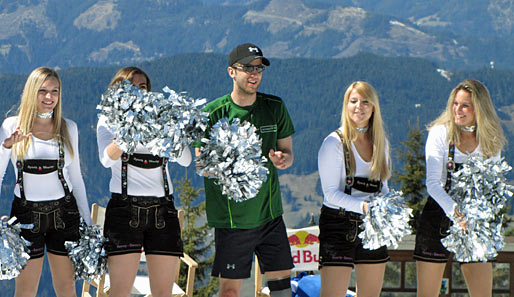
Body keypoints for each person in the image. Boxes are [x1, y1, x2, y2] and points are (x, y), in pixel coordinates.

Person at [195, 43, 295, 297]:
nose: (254, 74)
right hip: (232, 221)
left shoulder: (275, 107)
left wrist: (282, 160)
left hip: (270, 216)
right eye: (247, 68)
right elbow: (200, 165)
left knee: (282, 289)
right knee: (230, 292)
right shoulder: (212, 113)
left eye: (259, 68)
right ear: (231, 72)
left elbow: (288, 153)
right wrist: (231, 163)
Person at [96, 66, 192, 297]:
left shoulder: (163, 121)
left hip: (163, 211)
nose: (140, 92)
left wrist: (166, 132)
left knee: (162, 293)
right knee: (119, 291)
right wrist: (131, 129)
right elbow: (106, 158)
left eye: (143, 87)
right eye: (132, 87)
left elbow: (187, 159)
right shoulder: (108, 121)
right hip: (124, 211)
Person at [0, 67, 92, 297]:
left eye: (55, 91)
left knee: (67, 288)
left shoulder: (69, 128)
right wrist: (7, 146)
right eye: (43, 91)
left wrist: (88, 223)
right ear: (32, 92)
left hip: (64, 214)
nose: (49, 97)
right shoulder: (12, 126)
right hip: (26, 216)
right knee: (25, 290)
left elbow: (76, 178)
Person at [414, 79, 506, 297]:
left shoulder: (490, 140)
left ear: (480, 108)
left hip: (474, 223)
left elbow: (491, 187)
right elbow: (433, 184)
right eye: (455, 104)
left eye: (465, 105)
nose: (458, 109)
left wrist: (477, 218)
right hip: (438, 216)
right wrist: (456, 213)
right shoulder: (440, 134)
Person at [317, 81, 391, 297]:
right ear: (346, 106)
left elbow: (383, 186)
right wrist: (365, 207)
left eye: (366, 101)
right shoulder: (333, 143)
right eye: (354, 101)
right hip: (339, 225)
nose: (359, 106)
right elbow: (330, 193)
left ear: (374, 107)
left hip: (373, 225)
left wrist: (388, 210)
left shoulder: (381, 142)